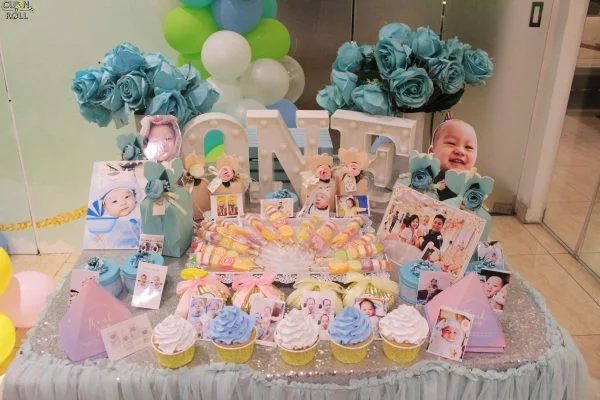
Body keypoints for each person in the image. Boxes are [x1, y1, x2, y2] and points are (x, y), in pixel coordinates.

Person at [428, 118, 478, 201]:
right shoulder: (422, 179)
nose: (460, 151)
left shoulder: (475, 189)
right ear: (432, 151)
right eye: (451, 143)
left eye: (468, 147)